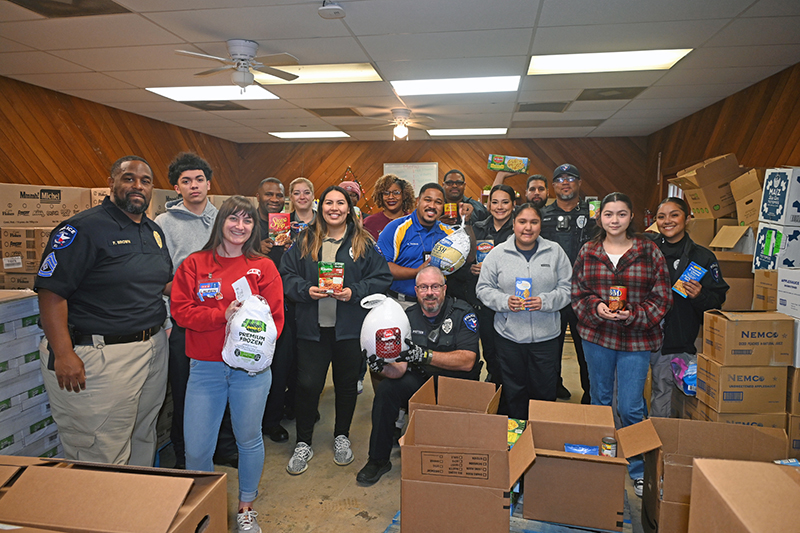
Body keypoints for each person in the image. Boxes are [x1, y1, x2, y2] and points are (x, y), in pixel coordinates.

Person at [36, 155, 171, 466]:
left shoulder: (152, 231)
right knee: (99, 451)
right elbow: (50, 292)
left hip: (150, 348)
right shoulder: (82, 229)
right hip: (98, 355)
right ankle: (101, 513)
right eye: (129, 178)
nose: (138, 186)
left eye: (145, 181)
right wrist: (64, 353)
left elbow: (163, 283)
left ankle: (135, 510)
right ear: (112, 183)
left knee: (142, 435)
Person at [170, 195, 284, 533]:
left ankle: (246, 507)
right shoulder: (194, 264)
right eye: (233, 219)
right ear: (220, 222)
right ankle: (208, 511)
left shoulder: (263, 267)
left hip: (250, 371)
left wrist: (251, 335)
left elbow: (276, 320)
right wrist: (223, 314)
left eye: (247, 221)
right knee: (197, 448)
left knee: (248, 439)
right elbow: (181, 312)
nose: (240, 226)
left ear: (254, 227)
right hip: (205, 368)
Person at [280, 185, 392, 475]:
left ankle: (341, 436)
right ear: (321, 207)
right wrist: (307, 290)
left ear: (349, 208)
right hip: (311, 330)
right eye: (328, 203)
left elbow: (381, 278)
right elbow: (286, 275)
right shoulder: (304, 239)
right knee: (307, 386)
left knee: (345, 386)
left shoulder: (364, 241)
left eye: (340, 203)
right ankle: (303, 441)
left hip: (349, 330)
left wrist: (354, 292)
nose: (334, 208)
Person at [571, 192, 672, 498]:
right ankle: (601, 461)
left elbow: (662, 297)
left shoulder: (649, 251)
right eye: (609, 214)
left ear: (632, 218)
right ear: (599, 217)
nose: (614, 220)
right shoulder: (588, 251)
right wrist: (596, 308)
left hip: (636, 340)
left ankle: (638, 467)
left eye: (621, 214)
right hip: (597, 337)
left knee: (630, 407)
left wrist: (634, 315)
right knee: (599, 401)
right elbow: (578, 291)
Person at [356, 266, 480, 485]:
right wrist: (379, 367)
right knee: (386, 390)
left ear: (444, 289)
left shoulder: (463, 312)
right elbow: (400, 370)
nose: (429, 292)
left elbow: (468, 361)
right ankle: (377, 460)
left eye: (434, 287)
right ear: (416, 290)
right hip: (422, 382)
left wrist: (425, 355)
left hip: (456, 386)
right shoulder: (406, 317)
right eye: (423, 287)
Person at [476, 203, 572, 419]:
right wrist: (504, 301)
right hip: (509, 337)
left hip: (546, 338)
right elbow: (482, 289)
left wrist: (545, 301)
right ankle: (516, 440)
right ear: (513, 224)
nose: (527, 227)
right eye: (522, 221)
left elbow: (568, 288)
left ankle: (540, 438)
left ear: (540, 225)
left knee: (545, 392)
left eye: (533, 222)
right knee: (514, 392)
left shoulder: (555, 252)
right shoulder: (497, 254)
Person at [155, 152, 218, 469]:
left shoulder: (224, 219)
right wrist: (168, 321)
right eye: (186, 181)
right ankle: (183, 455)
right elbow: (160, 277)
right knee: (185, 393)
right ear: (176, 188)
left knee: (222, 387)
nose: (194, 186)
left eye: (199, 180)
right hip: (183, 323)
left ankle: (221, 447)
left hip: (222, 322)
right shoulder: (162, 224)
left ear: (208, 183)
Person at [648, 197, 728, 417]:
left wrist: (699, 295)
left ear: (688, 219)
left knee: (662, 391)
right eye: (661, 217)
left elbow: (716, 304)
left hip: (676, 337)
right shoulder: (645, 250)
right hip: (640, 333)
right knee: (627, 391)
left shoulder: (702, 257)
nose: (668, 221)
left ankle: (657, 445)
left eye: (674, 215)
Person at [448, 184, 515, 392]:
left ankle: (507, 394)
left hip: (509, 303)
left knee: (508, 356)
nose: (499, 207)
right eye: (494, 202)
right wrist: (472, 269)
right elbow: (459, 264)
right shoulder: (476, 227)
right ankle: (492, 390)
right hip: (480, 303)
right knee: (487, 352)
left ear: (513, 205)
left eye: (505, 202)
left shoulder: (519, 229)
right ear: (488, 204)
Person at [541, 163, 596, 403]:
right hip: (552, 292)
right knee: (550, 350)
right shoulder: (543, 215)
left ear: (579, 183)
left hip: (585, 293)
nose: (565, 182)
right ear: (553, 186)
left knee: (586, 350)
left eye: (571, 178)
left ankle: (590, 395)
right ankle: (552, 390)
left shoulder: (594, 214)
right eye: (560, 179)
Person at [255, 177, 296, 443]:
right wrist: (254, 249)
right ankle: (254, 421)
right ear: (257, 196)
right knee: (256, 364)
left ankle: (272, 420)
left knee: (282, 365)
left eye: (279, 195)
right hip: (255, 307)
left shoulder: (288, 224)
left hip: (284, 303)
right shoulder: (246, 222)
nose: (274, 199)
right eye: (268, 194)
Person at [377, 183, 454, 304]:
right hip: (402, 303)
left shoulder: (449, 233)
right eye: (427, 200)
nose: (432, 206)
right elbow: (382, 267)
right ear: (418, 201)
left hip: (437, 304)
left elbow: (468, 259)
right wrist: (417, 272)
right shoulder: (395, 228)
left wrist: (467, 220)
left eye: (438, 202)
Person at [363, 174, 415, 240]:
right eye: (386, 193)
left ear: (404, 195)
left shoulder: (413, 222)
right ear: (380, 196)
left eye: (396, 193)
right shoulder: (369, 223)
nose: (391, 197)